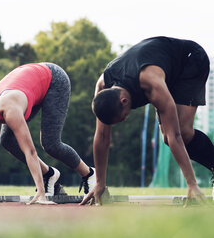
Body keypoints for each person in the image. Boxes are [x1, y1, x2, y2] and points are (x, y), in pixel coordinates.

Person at [82, 36, 212, 206]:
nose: (125, 120)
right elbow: (102, 137)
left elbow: (176, 135)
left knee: (183, 132)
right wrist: (100, 183)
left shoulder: (151, 83)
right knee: (166, 138)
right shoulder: (103, 88)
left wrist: (192, 184)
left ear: (124, 101)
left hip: (190, 60)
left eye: (123, 117)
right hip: (165, 67)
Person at [0, 62, 96, 205]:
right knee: (7, 141)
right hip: (29, 83)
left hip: (53, 79)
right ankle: (49, 175)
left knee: (51, 144)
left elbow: (30, 151)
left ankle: (89, 174)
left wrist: (41, 193)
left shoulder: (10, 109)